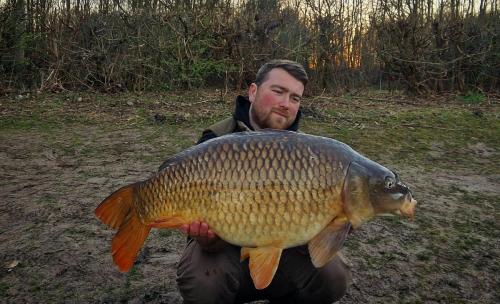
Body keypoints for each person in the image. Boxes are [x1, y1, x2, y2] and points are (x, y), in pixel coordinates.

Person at [174, 60, 351, 304]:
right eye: (278, 92)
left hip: (285, 252)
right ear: (253, 91)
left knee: (334, 274)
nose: (285, 104)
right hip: (224, 254)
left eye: (295, 98)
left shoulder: (307, 154)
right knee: (203, 280)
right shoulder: (215, 140)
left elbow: (320, 237)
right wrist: (208, 238)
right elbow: (196, 226)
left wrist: (335, 226)